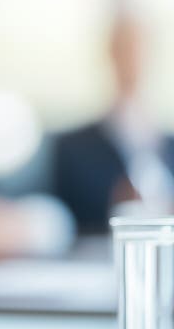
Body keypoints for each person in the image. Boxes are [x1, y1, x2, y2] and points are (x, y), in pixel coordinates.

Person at [53, 17, 174, 234]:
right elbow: (62, 223)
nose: (133, 61)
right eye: (124, 50)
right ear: (110, 55)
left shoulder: (168, 144)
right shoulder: (72, 148)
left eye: (140, 51)